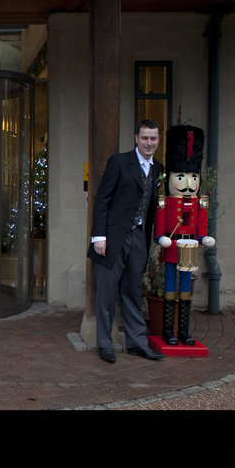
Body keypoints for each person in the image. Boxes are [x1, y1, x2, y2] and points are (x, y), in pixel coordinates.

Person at [87, 119, 166, 363]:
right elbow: (102, 200)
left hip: (139, 238)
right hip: (112, 238)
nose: (149, 142)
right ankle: (105, 343)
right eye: (145, 138)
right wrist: (99, 237)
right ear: (136, 138)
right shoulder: (119, 162)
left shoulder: (159, 169)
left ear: (158, 140)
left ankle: (137, 343)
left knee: (133, 291)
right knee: (107, 293)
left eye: (153, 138)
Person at [154, 124, 215, 346]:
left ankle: (184, 332)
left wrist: (203, 238)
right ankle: (168, 331)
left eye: (193, 178)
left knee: (185, 289)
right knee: (170, 287)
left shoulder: (200, 203)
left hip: (188, 246)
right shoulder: (165, 201)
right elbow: (159, 227)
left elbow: (200, 228)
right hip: (172, 246)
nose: (189, 185)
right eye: (181, 177)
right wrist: (161, 237)